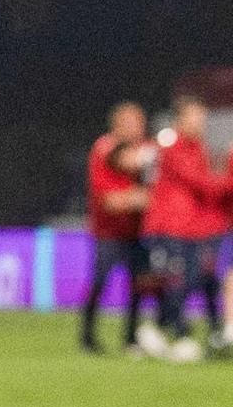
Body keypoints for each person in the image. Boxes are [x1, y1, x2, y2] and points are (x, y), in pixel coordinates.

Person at [140, 96, 227, 361]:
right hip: (170, 227)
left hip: (192, 228)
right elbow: (202, 183)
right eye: (195, 118)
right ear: (180, 120)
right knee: (179, 280)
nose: (201, 123)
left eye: (203, 118)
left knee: (197, 280)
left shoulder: (197, 147)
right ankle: (172, 332)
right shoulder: (172, 146)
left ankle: (176, 331)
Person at [81, 101, 154, 353]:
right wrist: (139, 198)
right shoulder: (104, 148)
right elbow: (110, 201)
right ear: (118, 125)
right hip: (108, 231)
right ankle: (87, 337)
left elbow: (157, 191)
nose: (139, 127)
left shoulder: (147, 149)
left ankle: (130, 339)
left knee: (140, 284)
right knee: (100, 281)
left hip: (137, 231)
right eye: (133, 122)